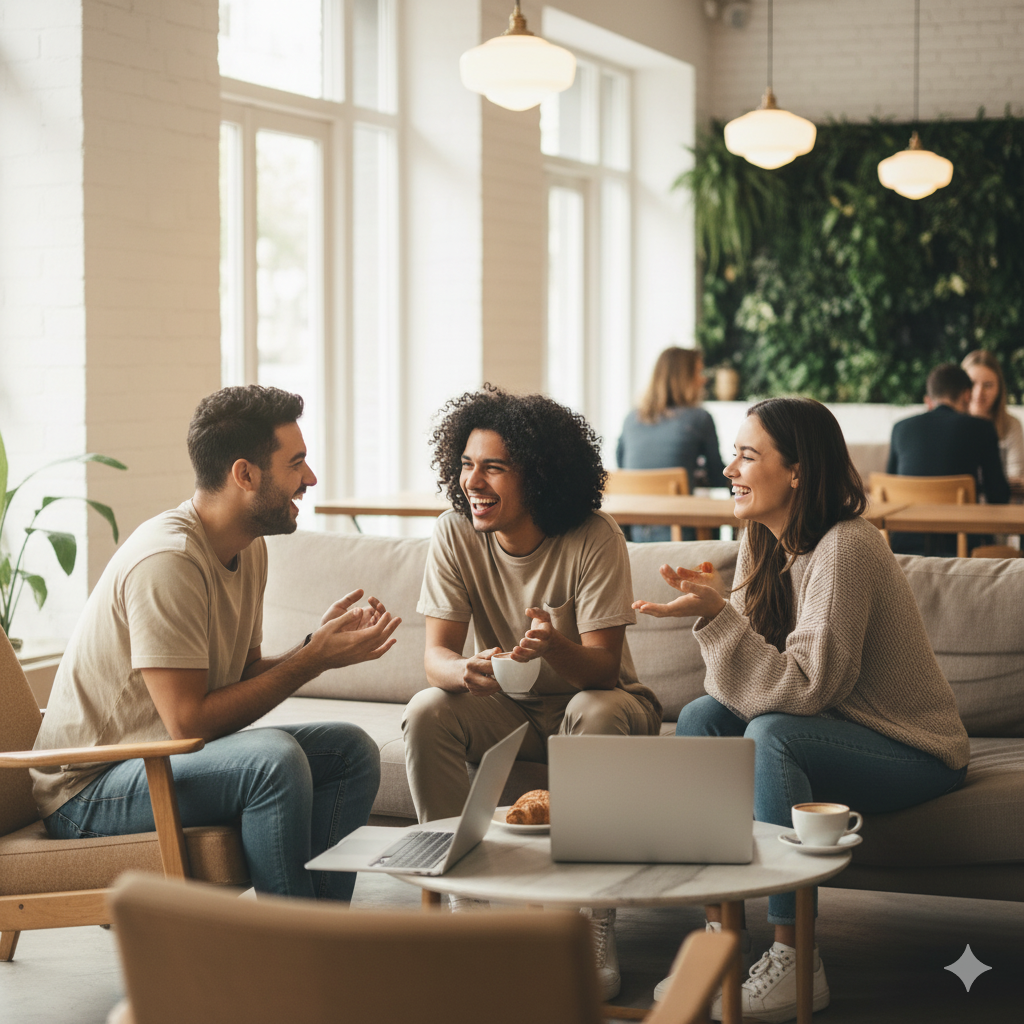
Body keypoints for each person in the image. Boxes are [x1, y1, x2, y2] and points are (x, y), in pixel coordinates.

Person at [634, 397, 969, 1023]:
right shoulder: (763, 543)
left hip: (914, 748)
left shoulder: (847, 546)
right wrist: (718, 617)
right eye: (732, 453)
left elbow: (808, 689)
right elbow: (739, 690)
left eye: (747, 455)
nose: (730, 468)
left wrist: (717, 618)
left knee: (773, 736)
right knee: (702, 718)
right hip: (838, 730)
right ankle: (722, 941)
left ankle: (797, 956)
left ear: (797, 472)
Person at [32, 386, 401, 902]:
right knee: (272, 759)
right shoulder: (169, 560)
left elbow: (242, 675)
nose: (310, 479)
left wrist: (315, 647)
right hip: (90, 790)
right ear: (245, 475)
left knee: (351, 751)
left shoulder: (248, 549)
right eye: (297, 463)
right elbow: (189, 722)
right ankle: (284, 952)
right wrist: (313, 660)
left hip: (159, 763)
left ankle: (321, 938)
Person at [402, 384, 663, 1000]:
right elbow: (434, 654)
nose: (474, 481)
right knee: (427, 710)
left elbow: (601, 671)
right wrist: (463, 671)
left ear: (539, 476)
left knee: (591, 709)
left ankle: (590, 915)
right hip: (509, 708)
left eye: (494, 466)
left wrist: (552, 647)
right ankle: (465, 900)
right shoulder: (455, 533)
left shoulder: (594, 537)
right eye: (467, 464)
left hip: (608, 703)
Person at [886, 362, 1010, 555]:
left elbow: (890, 488)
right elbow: (999, 496)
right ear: (967, 395)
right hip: (961, 547)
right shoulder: (981, 428)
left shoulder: (900, 429)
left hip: (902, 547)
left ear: (930, 398)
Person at [616, 347, 728, 541]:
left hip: (634, 537)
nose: (703, 379)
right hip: (681, 537)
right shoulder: (699, 418)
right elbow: (719, 477)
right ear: (684, 378)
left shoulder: (630, 419)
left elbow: (623, 467)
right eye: (698, 372)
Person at [962, 349, 1024, 486]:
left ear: (999, 389)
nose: (979, 393)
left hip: (999, 504)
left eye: (988, 385)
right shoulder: (951, 425)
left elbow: (1016, 477)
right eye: (972, 384)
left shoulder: (1011, 424)